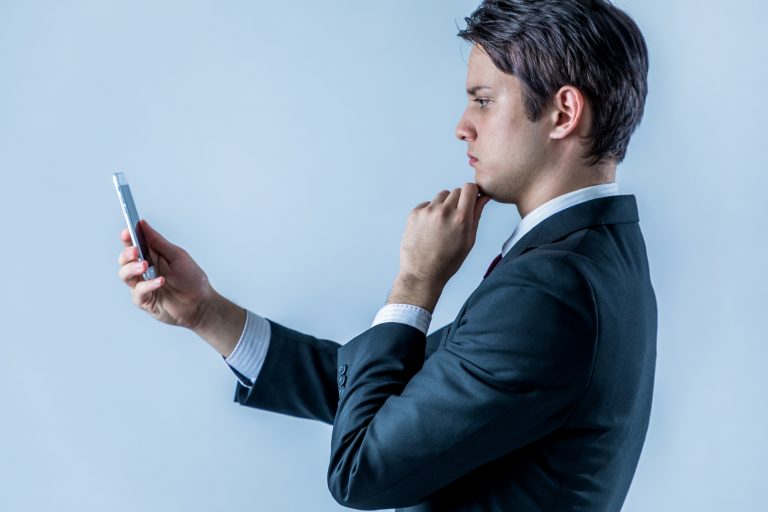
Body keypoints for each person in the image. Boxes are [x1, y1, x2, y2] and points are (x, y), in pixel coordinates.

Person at [117, 1, 656, 510]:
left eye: (484, 99)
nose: (462, 125)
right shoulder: (595, 257)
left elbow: (359, 469)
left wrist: (416, 281)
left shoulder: (550, 289)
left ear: (563, 112)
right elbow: (393, 394)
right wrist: (205, 311)